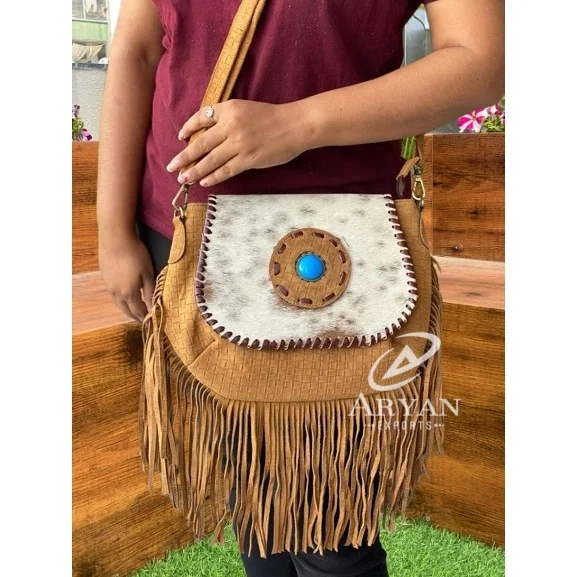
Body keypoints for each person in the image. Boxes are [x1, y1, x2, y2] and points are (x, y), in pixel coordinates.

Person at [97, 0, 504, 575]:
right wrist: (112, 228)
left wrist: (299, 123)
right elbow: (137, 50)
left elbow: (480, 59)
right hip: (187, 235)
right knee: (251, 496)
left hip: (343, 250)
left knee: (333, 534)